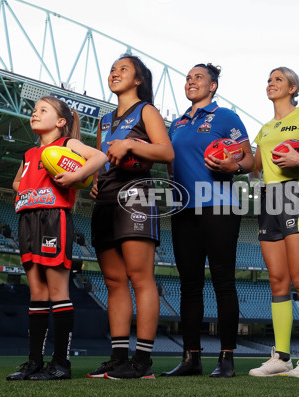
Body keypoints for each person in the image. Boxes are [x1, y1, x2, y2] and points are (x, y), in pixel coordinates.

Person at [160, 63, 253, 378]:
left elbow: (249, 160)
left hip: (220, 206)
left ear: (213, 86)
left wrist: (233, 166)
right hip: (184, 209)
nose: (191, 81)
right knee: (189, 286)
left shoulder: (226, 117)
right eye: (187, 78)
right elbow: (172, 167)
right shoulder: (176, 124)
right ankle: (191, 359)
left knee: (223, 283)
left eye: (198, 77)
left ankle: (226, 358)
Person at [7, 96, 108, 381]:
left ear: (61, 121)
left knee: (57, 292)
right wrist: (30, 187)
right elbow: (16, 183)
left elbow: (99, 157)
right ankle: (34, 362)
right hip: (27, 220)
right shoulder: (29, 154)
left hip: (54, 218)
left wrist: (76, 174)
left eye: (43, 110)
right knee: (37, 293)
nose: (34, 113)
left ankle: (61, 364)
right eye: (34, 110)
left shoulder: (65, 145)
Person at [87, 54, 174, 380]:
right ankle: (119, 357)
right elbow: (102, 159)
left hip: (136, 194)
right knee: (113, 282)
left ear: (138, 79)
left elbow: (166, 152)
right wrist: (93, 181)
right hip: (106, 200)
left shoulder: (146, 110)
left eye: (123, 69)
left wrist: (131, 145)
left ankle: (143, 361)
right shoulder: (104, 120)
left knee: (141, 278)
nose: (114, 73)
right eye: (111, 69)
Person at [248, 67, 299, 378]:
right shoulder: (265, 129)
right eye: (269, 79)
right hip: (269, 198)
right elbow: (255, 167)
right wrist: (246, 174)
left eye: (278, 79)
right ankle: (281, 357)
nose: (271, 83)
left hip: (295, 193)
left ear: (293, 87)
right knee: (277, 280)